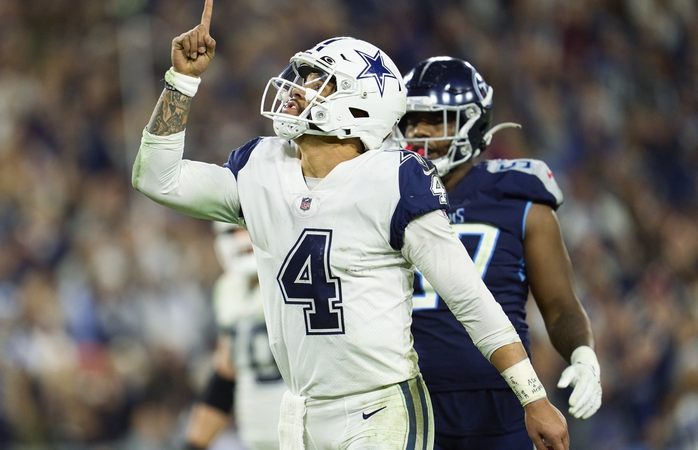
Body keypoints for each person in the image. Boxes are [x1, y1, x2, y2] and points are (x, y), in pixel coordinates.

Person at [131, 1, 569, 448]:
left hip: (378, 410)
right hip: (298, 409)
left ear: (359, 105)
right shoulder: (262, 166)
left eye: (318, 80)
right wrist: (182, 81)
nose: (297, 89)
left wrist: (533, 398)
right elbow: (156, 178)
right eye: (302, 77)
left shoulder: (393, 179)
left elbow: (470, 297)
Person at [393, 56, 602, 449]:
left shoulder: (519, 199)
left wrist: (583, 354)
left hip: (502, 400)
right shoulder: (385, 194)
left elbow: (559, 305)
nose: (419, 131)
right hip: (406, 402)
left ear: (473, 123)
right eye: (412, 119)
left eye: (436, 119)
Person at [183, 223, 285, 450]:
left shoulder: (297, 280)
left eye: (247, 227)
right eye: (233, 230)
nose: (241, 238)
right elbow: (226, 374)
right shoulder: (229, 289)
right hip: (257, 440)